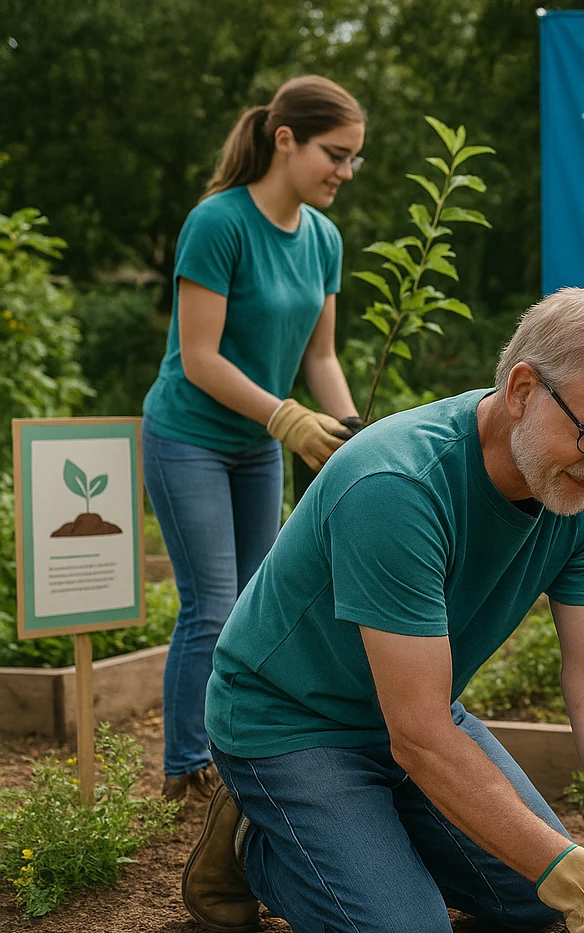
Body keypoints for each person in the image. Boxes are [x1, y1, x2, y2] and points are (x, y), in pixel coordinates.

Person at [179, 288, 584, 933]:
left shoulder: (579, 497)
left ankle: (359, 833)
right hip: (291, 722)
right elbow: (417, 737)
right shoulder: (400, 485)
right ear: (523, 390)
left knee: (537, 902)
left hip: (419, 713)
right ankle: (262, 840)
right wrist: (582, 880)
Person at [142, 75, 367, 800]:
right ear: (284, 140)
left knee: (253, 606)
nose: (344, 172)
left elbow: (320, 356)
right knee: (210, 605)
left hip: (257, 444)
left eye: (354, 159)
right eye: (334, 154)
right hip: (189, 436)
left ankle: (233, 750)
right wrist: (286, 418)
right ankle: (184, 766)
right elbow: (200, 358)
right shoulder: (219, 223)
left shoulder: (324, 238)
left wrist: (353, 432)